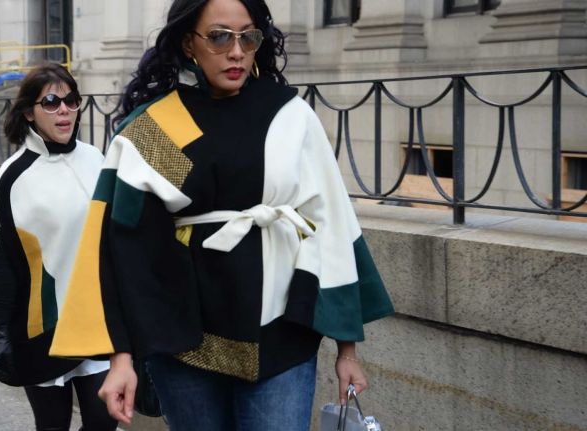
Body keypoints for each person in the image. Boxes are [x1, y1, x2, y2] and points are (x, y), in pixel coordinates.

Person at [50, 0, 395, 429]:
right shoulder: (152, 129)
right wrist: (121, 359)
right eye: (219, 36)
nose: (236, 52)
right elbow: (123, 252)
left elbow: (332, 226)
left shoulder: (291, 116)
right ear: (187, 43)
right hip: (184, 343)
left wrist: (348, 352)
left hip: (284, 335)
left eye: (248, 37)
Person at [0, 63, 117, 431]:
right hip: (41, 327)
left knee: (103, 422)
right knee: (52, 424)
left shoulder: (97, 159)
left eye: (71, 100)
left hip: (96, 321)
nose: (64, 109)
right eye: (51, 102)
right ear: (28, 112)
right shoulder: (14, 176)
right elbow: (0, 261)